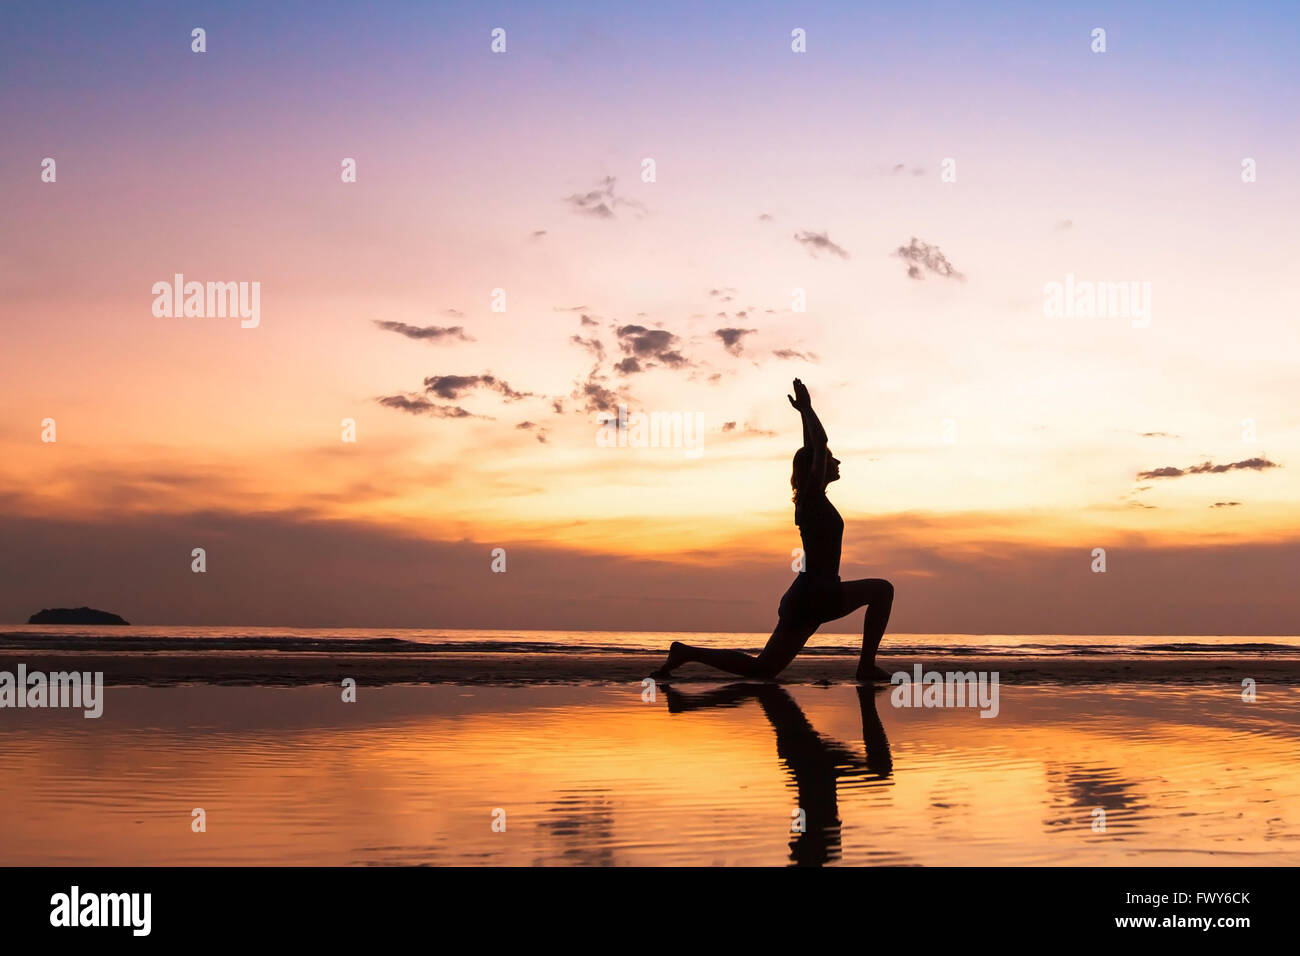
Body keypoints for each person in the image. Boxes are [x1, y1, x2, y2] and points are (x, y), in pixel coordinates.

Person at [650, 378, 894, 682]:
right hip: (819, 594)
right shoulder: (812, 500)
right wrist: (808, 409)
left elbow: (812, 448)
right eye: (831, 459)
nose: (836, 460)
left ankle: (687, 653)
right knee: (882, 590)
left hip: (807, 597)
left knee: (762, 669)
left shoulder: (812, 501)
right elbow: (817, 447)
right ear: (816, 469)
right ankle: (866, 667)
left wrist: (804, 414)